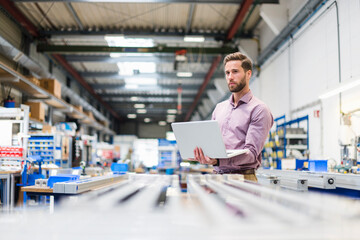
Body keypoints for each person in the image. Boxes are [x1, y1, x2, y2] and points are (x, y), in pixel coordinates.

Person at [193, 52, 273, 182]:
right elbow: (212, 144)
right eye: (227, 73)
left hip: (243, 178)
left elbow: (251, 154)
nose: (230, 77)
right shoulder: (219, 108)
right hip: (217, 176)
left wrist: (218, 160)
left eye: (235, 72)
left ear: (248, 74)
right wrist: (203, 154)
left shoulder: (259, 109)